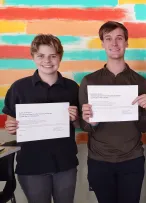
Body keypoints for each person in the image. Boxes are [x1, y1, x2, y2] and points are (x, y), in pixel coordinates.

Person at [79, 21, 146, 203]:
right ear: (102, 43)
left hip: (132, 159)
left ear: (126, 43)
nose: (114, 43)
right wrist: (91, 121)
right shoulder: (89, 81)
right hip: (99, 160)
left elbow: (144, 127)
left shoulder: (141, 82)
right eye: (109, 39)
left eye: (119, 38)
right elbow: (84, 126)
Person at [3, 34, 79, 203]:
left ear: (60, 57)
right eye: (41, 56)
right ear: (33, 57)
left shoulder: (72, 88)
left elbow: (80, 123)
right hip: (31, 164)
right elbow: (10, 122)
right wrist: (11, 126)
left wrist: (75, 118)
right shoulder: (19, 87)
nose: (47, 61)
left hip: (64, 163)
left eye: (53, 56)